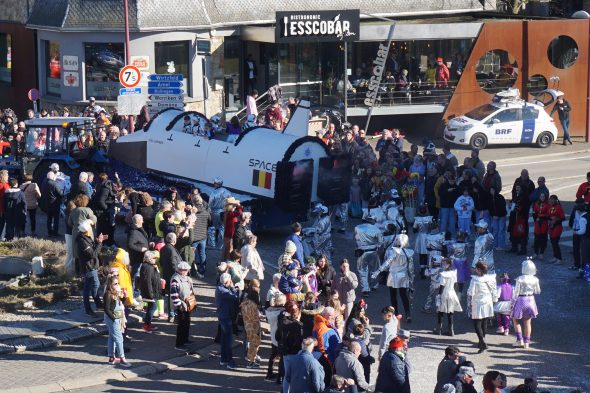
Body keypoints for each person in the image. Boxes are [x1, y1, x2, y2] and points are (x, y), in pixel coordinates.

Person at [373, 233, 414, 322]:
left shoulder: (392, 251)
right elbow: (411, 268)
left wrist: (377, 272)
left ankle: (395, 314)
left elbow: (386, 264)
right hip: (403, 276)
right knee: (404, 295)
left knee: (393, 295)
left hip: (393, 276)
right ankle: (408, 314)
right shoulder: (408, 253)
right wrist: (411, 279)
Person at [76, 219, 106, 316]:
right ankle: (89, 308)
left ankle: (97, 304)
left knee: (90, 286)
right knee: (92, 286)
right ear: (87, 230)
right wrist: (100, 243)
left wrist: (97, 242)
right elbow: (92, 254)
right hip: (89, 267)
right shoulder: (82, 241)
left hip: (91, 266)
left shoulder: (85, 238)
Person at [467, 261, 497, 353]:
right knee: (484, 322)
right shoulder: (491, 279)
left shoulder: (475, 280)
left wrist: (469, 303)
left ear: (479, 270)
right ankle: (482, 340)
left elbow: (470, 292)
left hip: (478, 303)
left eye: (476, 268)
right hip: (488, 302)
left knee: (477, 324)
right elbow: (494, 290)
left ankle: (482, 342)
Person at [511, 258, 541, 349]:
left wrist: (512, 303)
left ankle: (519, 340)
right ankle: (527, 342)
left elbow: (516, 293)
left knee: (515, 319)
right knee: (528, 322)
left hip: (521, 299)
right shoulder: (535, 279)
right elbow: (538, 291)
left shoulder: (519, 279)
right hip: (531, 300)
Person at [103, 275, 131, 367]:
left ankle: (111, 357)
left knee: (112, 337)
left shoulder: (116, 292)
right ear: (110, 285)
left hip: (117, 316)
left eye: (118, 283)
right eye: (115, 284)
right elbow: (106, 309)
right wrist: (114, 319)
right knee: (119, 338)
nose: (117, 285)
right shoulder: (108, 294)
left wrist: (124, 297)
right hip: (112, 318)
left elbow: (120, 302)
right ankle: (122, 358)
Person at [277, 300, 304, 392]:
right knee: (294, 376)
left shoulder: (281, 320)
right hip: (294, 353)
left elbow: (277, 336)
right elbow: (299, 340)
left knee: (287, 376)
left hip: (285, 352)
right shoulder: (297, 325)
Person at [354, 215, 383, 295]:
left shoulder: (357, 227)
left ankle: (365, 289)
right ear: (373, 221)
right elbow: (380, 243)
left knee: (362, 270)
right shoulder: (377, 230)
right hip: (373, 252)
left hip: (361, 252)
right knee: (375, 270)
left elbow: (355, 238)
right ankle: (372, 285)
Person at [216, 272, 239, 369]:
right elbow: (235, 297)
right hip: (226, 317)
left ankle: (223, 359)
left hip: (223, 316)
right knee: (228, 341)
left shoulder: (220, 288)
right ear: (227, 281)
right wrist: (233, 288)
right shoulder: (224, 291)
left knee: (224, 339)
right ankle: (229, 361)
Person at [110, 248, 135, 340]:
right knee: (120, 319)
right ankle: (120, 338)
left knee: (123, 318)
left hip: (123, 299)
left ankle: (123, 336)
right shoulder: (119, 268)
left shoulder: (120, 267)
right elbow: (118, 285)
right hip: (120, 300)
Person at [170, 261, 195, 350]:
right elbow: (174, 296)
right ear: (181, 270)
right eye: (186, 270)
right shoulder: (175, 280)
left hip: (187, 306)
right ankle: (179, 344)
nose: (188, 271)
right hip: (181, 307)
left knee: (186, 323)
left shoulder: (185, 278)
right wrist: (181, 305)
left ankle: (185, 339)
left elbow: (189, 291)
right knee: (181, 325)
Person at [434, 258, 462, 336]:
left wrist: (439, 295)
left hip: (444, 294)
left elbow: (442, 286)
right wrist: (457, 294)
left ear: (449, 264)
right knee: (450, 312)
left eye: (445, 264)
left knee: (440, 312)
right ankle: (451, 330)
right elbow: (456, 285)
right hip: (452, 293)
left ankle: (439, 329)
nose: (443, 265)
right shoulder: (453, 273)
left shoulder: (443, 274)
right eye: (442, 263)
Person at [160, 233, 182, 322]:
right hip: (173, 275)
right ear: (174, 240)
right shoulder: (171, 250)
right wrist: (178, 272)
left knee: (169, 296)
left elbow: (161, 262)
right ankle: (174, 315)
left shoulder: (163, 248)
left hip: (166, 274)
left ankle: (171, 315)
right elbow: (174, 263)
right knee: (174, 296)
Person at [265, 292, 286, 381]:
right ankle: (280, 377)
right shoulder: (282, 312)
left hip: (273, 335)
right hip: (280, 337)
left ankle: (269, 372)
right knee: (282, 358)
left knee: (273, 355)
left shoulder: (269, 310)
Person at [241, 284, 263, 368]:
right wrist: (261, 317)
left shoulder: (245, 302)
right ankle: (251, 362)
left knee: (251, 343)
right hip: (254, 327)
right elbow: (255, 317)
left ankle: (251, 358)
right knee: (255, 344)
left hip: (247, 325)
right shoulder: (253, 305)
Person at [91, 173, 116, 246]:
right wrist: (107, 209)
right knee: (105, 228)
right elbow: (101, 201)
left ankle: (101, 243)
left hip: (99, 211)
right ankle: (105, 243)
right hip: (103, 212)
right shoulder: (105, 188)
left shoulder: (99, 185)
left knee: (101, 228)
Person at [139, 250, 161, 333]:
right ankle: (146, 325)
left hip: (153, 290)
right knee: (153, 307)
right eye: (153, 258)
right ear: (148, 258)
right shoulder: (148, 267)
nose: (155, 259)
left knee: (152, 307)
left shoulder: (151, 266)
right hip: (150, 292)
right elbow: (147, 282)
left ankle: (148, 323)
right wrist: (150, 294)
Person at [190, 194, 210, 278]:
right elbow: (210, 223)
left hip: (194, 237)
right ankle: (202, 270)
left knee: (192, 254)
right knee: (202, 254)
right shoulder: (206, 212)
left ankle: (192, 269)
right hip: (203, 236)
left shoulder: (192, 213)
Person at [207, 178, 231, 248]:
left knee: (212, 227)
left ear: (217, 184)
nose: (214, 184)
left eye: (214, 183)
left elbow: (210, 204)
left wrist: (209, 211)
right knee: (222, 228)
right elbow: (231, 201)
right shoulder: (227, 192)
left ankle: (212, 244)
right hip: (224, 212)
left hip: (215, 212)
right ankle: (220, 245)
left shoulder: (214, 192)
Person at [127, 214, 150, 280]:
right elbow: (130, 245)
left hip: (142, 258)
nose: (143, 221)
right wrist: (141, 249)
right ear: (138, 221)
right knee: (136, 276)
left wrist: (149, 243)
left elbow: (144, 238)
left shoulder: (139, 229)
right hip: (137, 259)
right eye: (142, 220)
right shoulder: (133, 232)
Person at [41, 171, 63, 236]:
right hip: (55, 204)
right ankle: (55, 233)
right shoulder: (54, 184)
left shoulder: (44, 183)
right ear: (53, 177)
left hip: (47, 203)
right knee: (56, 219)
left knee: (49, 219)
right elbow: (61, 193)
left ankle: (49, 232)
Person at [547, 195, 565, 265]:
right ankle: (555, 256)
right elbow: (548, 216)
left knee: (555, 243)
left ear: (555, 200)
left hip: (557, 227)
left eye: (551, 199)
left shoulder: (559, 207)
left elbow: (563, 218)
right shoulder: (549, 207)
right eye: (550, 199)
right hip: (551, 226)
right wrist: (550, 218)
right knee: (552, 242)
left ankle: (559, 258)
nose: (550, 201)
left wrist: (556, 219)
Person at [532, 192, 549, 260]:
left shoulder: (547, 205)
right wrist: (536, 218)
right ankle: (535, 253)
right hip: (537, 223)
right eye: (541, 196)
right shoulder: (536, 204)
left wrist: (542, 217)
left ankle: (541, 253)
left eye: (543, 196)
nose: (542, 198)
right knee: (536, 239)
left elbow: (548, 214)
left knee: (543, 238)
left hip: (544, 223)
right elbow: (534, 213)